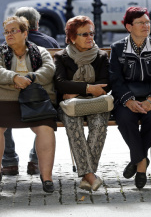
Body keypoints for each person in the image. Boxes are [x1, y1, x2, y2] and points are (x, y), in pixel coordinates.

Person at [0, 15, 56, 193]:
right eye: (6, 32)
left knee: (46, 129)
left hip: (34, 99)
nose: (8, 35)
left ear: (25, 33)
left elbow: (48, 69)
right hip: (4, 99)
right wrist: (14, 78)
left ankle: (46, 177)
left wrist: (30, 78)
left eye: (13, 31)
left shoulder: (39, 51)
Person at [109, 6, 151, 189]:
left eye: (147, 22)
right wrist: (129, 100)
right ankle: (141, 163)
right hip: (127, 98)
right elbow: (115, 80)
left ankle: (136, 161)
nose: (146, 26)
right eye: (140, 23)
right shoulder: (118, 49)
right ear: (129, 26)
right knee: (125, 119)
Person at [54, 15, 110, 191]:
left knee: (100, 123)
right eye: (84, 34)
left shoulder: (101, 56)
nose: (90, 37)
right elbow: (60, 83)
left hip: (96, 103)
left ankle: (88, 176)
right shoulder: (61, 57)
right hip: (71, 106)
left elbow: (105, 84)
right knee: (73, 123)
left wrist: (78, 90)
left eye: (91, 33)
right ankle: (90, 175)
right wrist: (89, 88)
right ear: (71, 37)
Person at [1, 7, 60, 176]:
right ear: (38, 23)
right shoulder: (51, 42)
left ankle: (9, 160)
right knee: (43, 115)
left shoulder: (8, 43)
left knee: (0, 115)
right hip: (41, 98)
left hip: (13, 95)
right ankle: (35, 160)